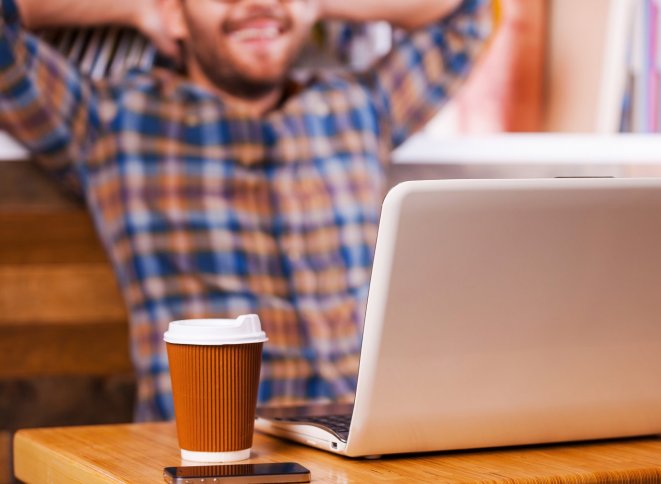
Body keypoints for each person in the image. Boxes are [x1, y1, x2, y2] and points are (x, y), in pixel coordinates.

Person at [0, 0, 489, 421]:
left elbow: (469, 14)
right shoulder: (112, 121)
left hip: (360, 449)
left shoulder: (359, 105)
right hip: (209, 452)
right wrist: (148, 5)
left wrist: (302, 5)